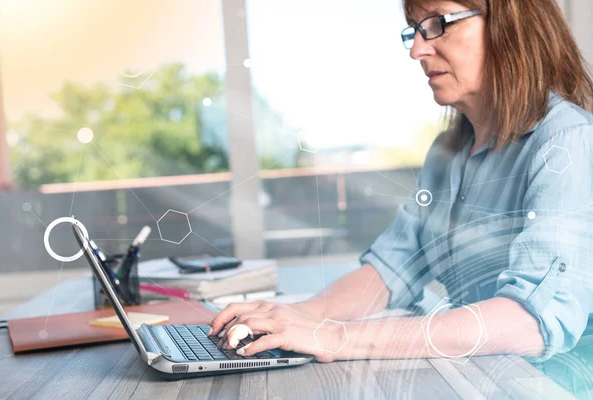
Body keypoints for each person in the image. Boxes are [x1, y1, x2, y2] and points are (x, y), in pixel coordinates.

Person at [209, 0, 593, 382]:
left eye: (439, 23)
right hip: (476, 376)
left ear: (511, 23)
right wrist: (301, 316)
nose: (417, 50)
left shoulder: (568, 143)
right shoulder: (447, 153)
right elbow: (393, 268)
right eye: (416, 29)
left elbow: (529, 321)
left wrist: (335, 336)